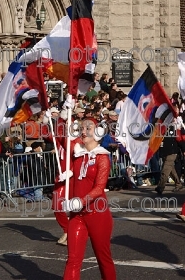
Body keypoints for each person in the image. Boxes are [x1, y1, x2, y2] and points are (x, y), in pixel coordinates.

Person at [62, 118, 116, 280]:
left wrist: (80, 201)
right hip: (77, 215)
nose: (83, 131)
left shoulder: (102, 157)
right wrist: (64, 115)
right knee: (73, 260)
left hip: (97, 214)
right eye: (82, 129)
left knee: (103, 258)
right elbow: (62, 139)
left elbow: (99, 188)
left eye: (88, 128)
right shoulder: (77, 153)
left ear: (98, 132)